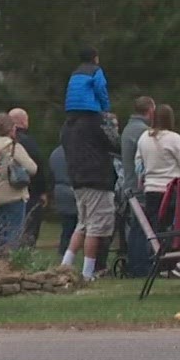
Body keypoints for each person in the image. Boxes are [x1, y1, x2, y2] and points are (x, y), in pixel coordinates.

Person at [60, 95, 121, 283]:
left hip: (77, 179)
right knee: (95, 227)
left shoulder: (68, 126)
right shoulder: (95, 122)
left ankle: (65, 265)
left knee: (83, 224)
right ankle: (87, 273)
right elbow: (114, 144)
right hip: (97, 179)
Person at [136, 105, 180, 268]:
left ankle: (158, 261)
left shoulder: (143, 138)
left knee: (156, 226)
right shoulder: (173, 138)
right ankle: (173, 261)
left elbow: (138, 162)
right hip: (171, 188)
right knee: (174, 227)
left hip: (151, 188)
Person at [0, 111, 36, 257]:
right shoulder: (14, 148)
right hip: (14, 195)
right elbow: (32, 168)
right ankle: (9, 260)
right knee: (14, 230)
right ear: (11, 129)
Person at [119, 96, 155, 278]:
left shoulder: (128, 129)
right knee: (141, 227)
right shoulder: (143, 132)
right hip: (139, 186)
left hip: (129, 183)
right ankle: (139, 266)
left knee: (136, 226)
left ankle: (136, 263)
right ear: (149, 111)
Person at [9, 107, 51, 248]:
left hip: (6, 192)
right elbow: (37, 167)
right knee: (29, 228)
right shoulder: (28, 142)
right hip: (29, 191)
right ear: (23, 121)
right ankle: (25, 255)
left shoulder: (3, 142)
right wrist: (43, 191)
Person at [49, 143, 79, 256]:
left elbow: (51, 174)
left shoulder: (55, 153)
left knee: (66, 226)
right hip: (75, 189)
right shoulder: (77, 151)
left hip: (60, 190)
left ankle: (63, 252)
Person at [64, 47, 111, 115]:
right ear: (95, 58)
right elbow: (101, 88)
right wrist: (106, 108)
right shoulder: (96, 70)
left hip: (71, 107)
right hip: (88, 108)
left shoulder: (75, 72)